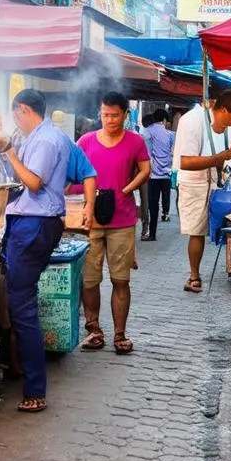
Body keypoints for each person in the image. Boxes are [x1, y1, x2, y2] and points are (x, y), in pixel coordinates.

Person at [0, 89, 70, 413]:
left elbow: (34, 183)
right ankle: (22, 372)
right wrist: (4, 151)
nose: (15, 123)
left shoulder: (47, 140)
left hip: (36, 224)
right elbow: (18, 177)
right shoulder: (38, 137)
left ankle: (35, 390)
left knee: (22, 308)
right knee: (20, 303)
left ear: (23, 110)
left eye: (15, 116)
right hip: (30, 223)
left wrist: (9, 150)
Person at [77, 92, 150, 355]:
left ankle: (120, 335)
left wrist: (127, 189)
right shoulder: (85, 141)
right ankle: (94, 330)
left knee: (121, 280)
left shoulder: (135, 141)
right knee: (89, 280)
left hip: (123, 220)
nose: (109, 119)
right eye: (105, 114)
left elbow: (145, 169)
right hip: (91, 221)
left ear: (125, 114)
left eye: (115, 115)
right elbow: (73, 171)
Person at [174, 88, 231, 294]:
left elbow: (217, 154)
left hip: (215, 181)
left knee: (223, 226)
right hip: (194, 183)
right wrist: (224, 155)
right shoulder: (192, 121)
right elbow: (186, 162)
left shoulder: (220, 124)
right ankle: (194, 276)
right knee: (196, 232)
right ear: (223, 110)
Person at [142, 108, 174, 240]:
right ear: (164, 120)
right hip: (166, 173)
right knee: (166, 197)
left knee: (152, 205)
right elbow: (173, 152)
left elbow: (147, 154)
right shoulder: (170, 134)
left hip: (153, 175)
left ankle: (152, 234)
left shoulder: (148, 131)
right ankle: (166, 213)